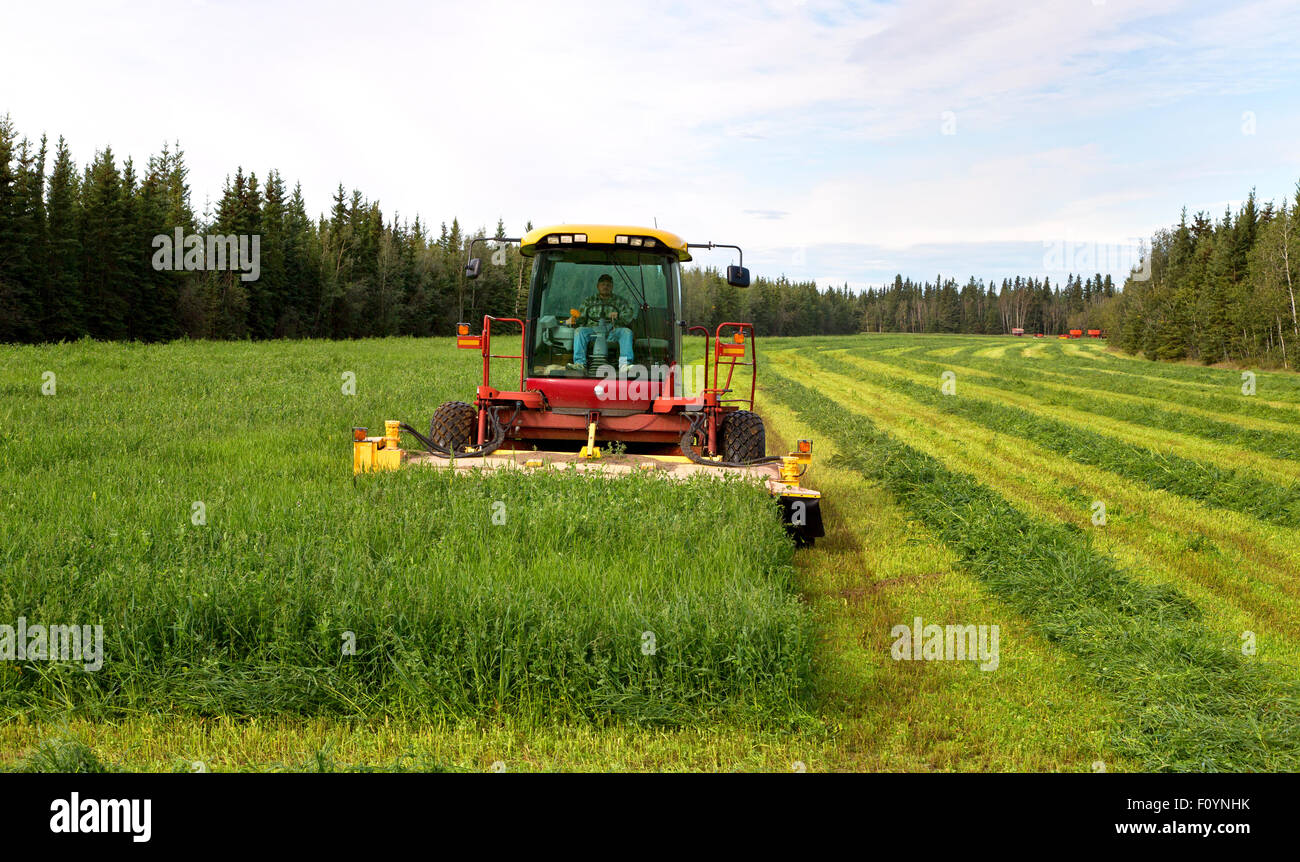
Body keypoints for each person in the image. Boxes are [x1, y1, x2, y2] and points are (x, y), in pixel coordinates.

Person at [568, 274, 635, 370]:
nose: (605, 287)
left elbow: (629, 316)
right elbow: (581, 318)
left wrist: (619, 315)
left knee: (626, 332)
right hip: (593, 333)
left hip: (612, 332)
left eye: (608, 285)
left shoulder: (620, 301)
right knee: (579, 331)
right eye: (603, 284)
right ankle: (580, 363)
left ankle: (625, 365)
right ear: (598, 286)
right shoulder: (589, 301)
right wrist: (574, 319)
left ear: (612, 287)